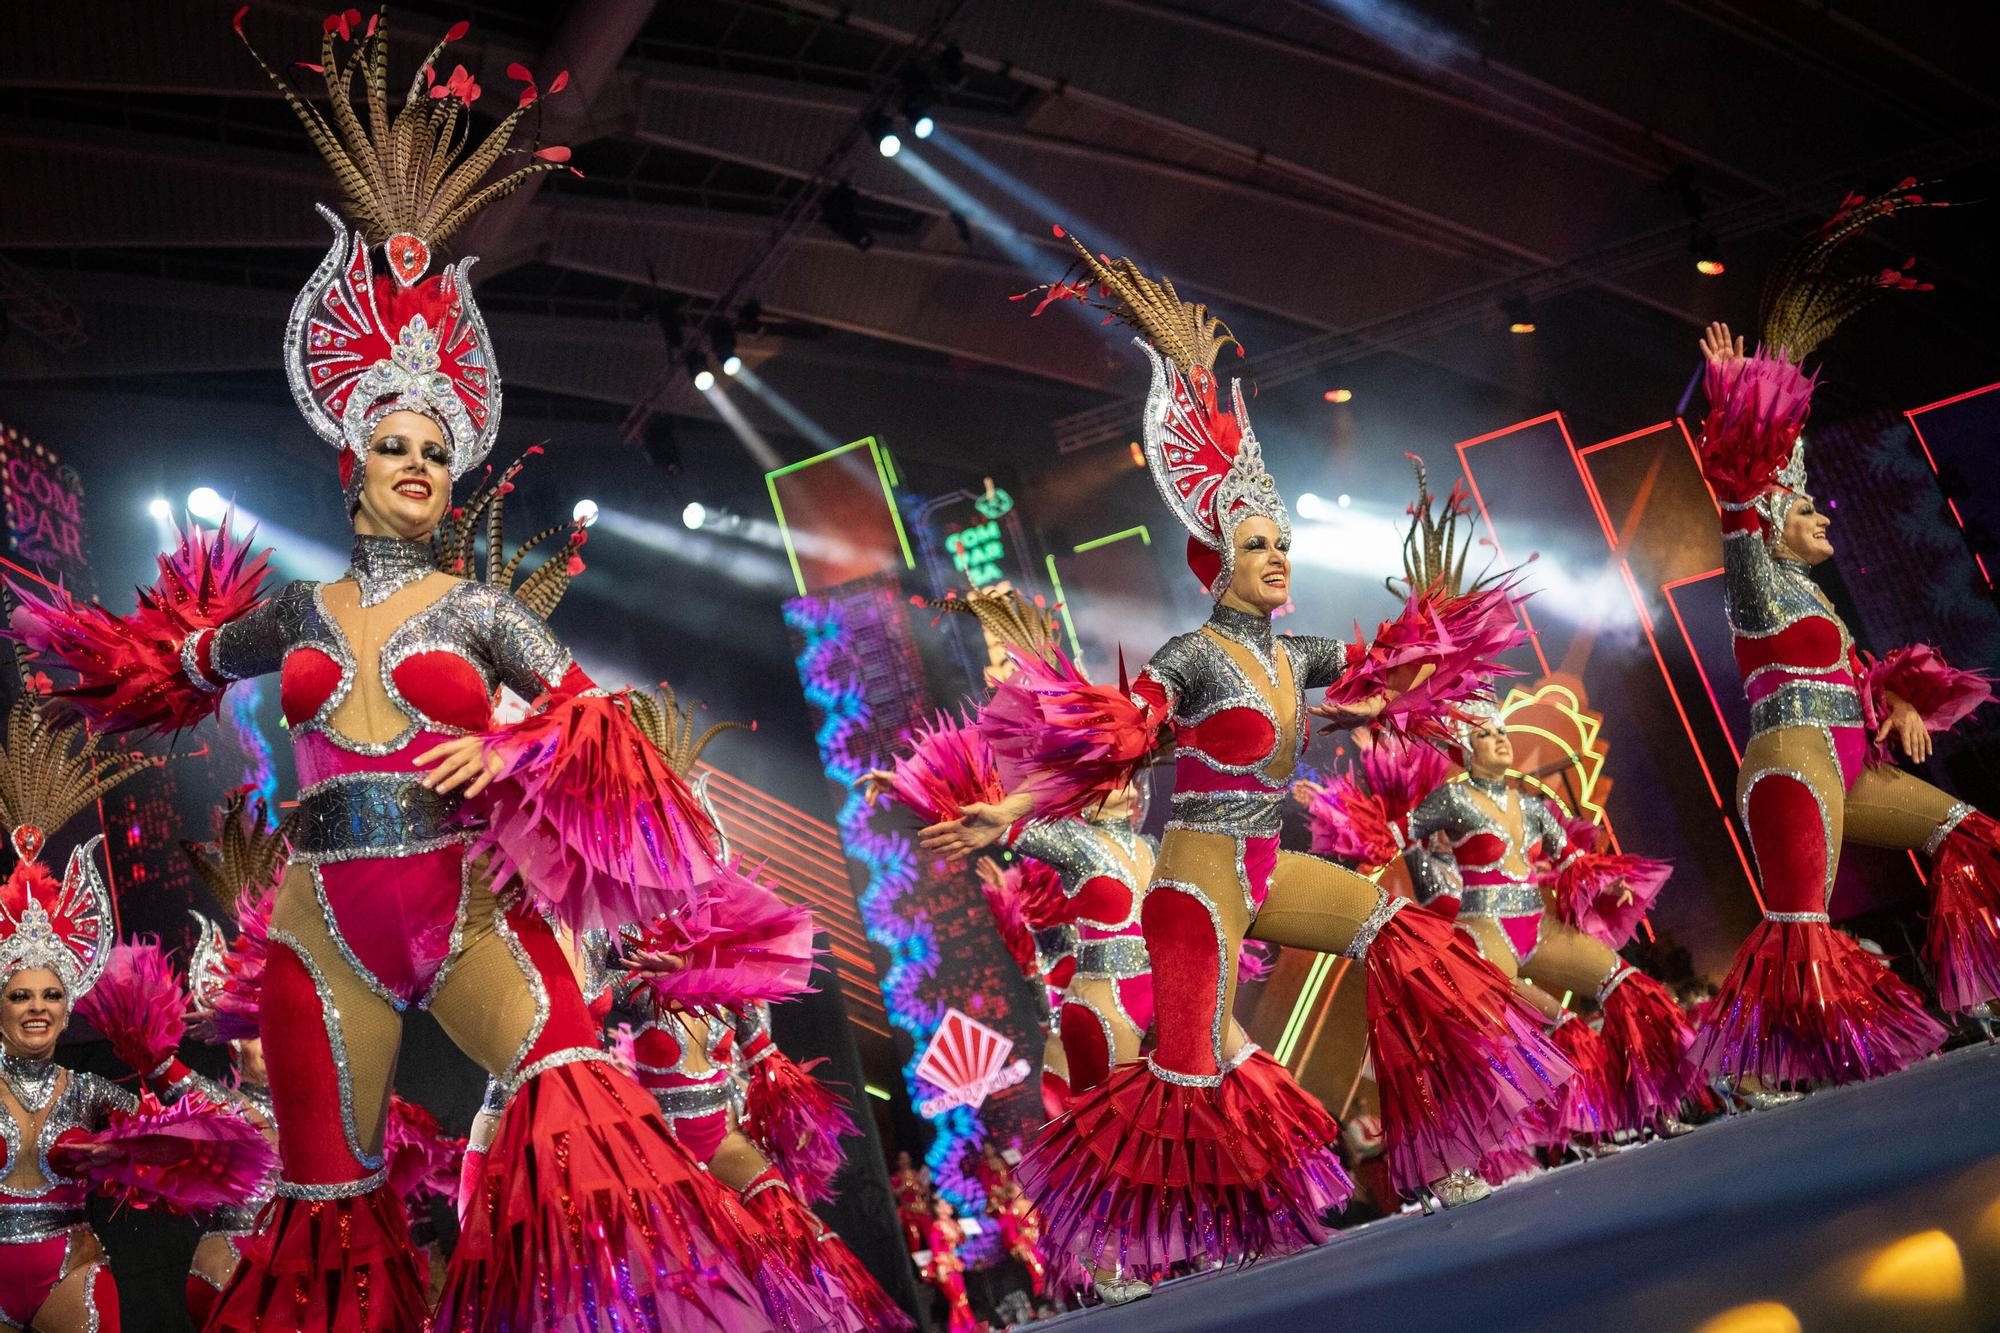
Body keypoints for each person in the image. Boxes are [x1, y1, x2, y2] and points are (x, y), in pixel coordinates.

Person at [10, 14, 803, 1328]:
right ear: (352, 464)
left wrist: (504, 748)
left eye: (438, 446)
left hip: (465, 908)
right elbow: (175, 662)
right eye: (396, 445)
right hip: (322, 938)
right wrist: (94, 655)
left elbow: (593, 723)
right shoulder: (294, 614)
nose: (420, 461)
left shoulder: (483, 611)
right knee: (334, 1224)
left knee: (570, 1093)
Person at [971, 236, 1571, 1300]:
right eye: (1258, 545)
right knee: (1185, 1076)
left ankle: (1461, 1143)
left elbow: (1381, 666)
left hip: (1265, 865)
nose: (1279, 556)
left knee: (1401, 938)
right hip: (1196, 887)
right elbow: (1118, 731)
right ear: (1218, 560)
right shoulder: (1189, 655)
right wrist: (1009, 803)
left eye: (1283, 542)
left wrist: (1426, 658)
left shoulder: (1291, 654)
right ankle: (1108, 1238)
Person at [1693, 206, 1996, 1088]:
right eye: (1805, 508)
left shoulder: (1812, 595)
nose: (1822, 512)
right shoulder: (1753, 580)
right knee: (1801, 929)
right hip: (1794, 764)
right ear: (1773, 524)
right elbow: (1738, 509)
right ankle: (1741, 1066)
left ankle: (1981, 989)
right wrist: (1734, 410)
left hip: (1851, 759)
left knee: (1970, 832)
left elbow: (1854, 675)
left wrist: (1898, 699)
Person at [0, 699, 273, 1333]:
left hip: (65, 1273)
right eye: (19, 996)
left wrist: (133, 1127)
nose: (36, 1008)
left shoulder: (92, 1094)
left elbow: (203, 1135)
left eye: (49, 996)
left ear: (70, 1008)